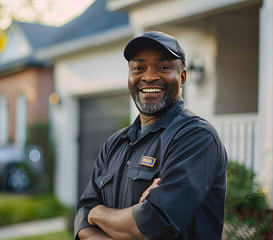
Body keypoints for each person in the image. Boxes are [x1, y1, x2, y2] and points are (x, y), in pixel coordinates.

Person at [74, 31, 228, 240]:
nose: (148, 77)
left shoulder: (195, 137)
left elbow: (155, 224)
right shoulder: (114, 144)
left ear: (182, 77)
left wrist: (98, 213)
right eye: (138, 68)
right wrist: (102, 216)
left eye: (163, 67)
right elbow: (82, 215)